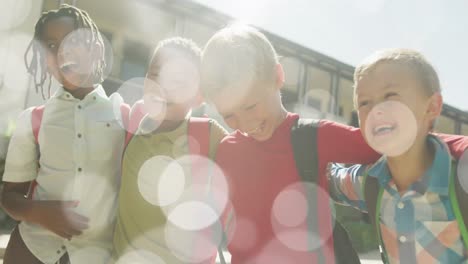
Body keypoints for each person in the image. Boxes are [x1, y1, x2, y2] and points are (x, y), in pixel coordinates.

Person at [1, 4, 126, 263]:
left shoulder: (124, 118)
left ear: (96, 48)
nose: (62, 52)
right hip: (30, 252)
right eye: (51, 45)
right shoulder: (33, 119)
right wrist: (39, 212)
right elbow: (9, 198)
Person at [328, 48, 468, 263]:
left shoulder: (461, 180)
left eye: (390, 96)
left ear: (432, 106)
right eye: (364, 102)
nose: (377, 110)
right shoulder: (368, 183)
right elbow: (329, 178)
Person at [112, 37, 227, 264]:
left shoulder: (209, 135)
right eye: (155, 75)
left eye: (178, 82)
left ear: (199, 96)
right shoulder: (133, 121)